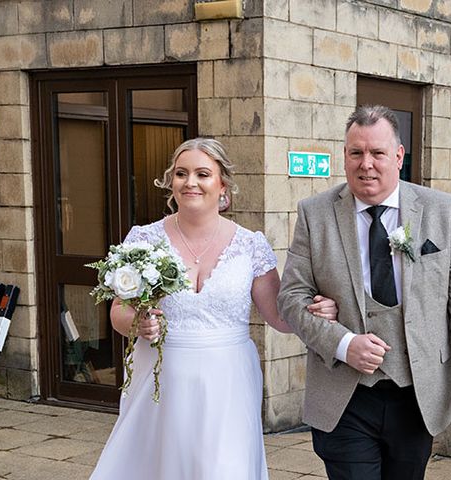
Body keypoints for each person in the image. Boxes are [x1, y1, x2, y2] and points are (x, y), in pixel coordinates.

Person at [90, 138, 338, 480]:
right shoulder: (142, 240)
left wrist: (315, 311)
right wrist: (139, 323)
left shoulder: (251, 245)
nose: (190, 182)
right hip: (161, 378)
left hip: (228, 382)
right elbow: (118, 311)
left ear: (223, 186)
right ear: (171, 182)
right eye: (181, 173)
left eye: (202, 174)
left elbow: (280, 317)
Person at [277, 105, 451, 480]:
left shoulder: (441, 211)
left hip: (416, 393)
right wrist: (344, 343)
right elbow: (291, 298)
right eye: (355, 153)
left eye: (377, 153)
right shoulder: (315, 213)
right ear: (344, 155)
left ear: (398, 156)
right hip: (344, 397)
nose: (366, 165)